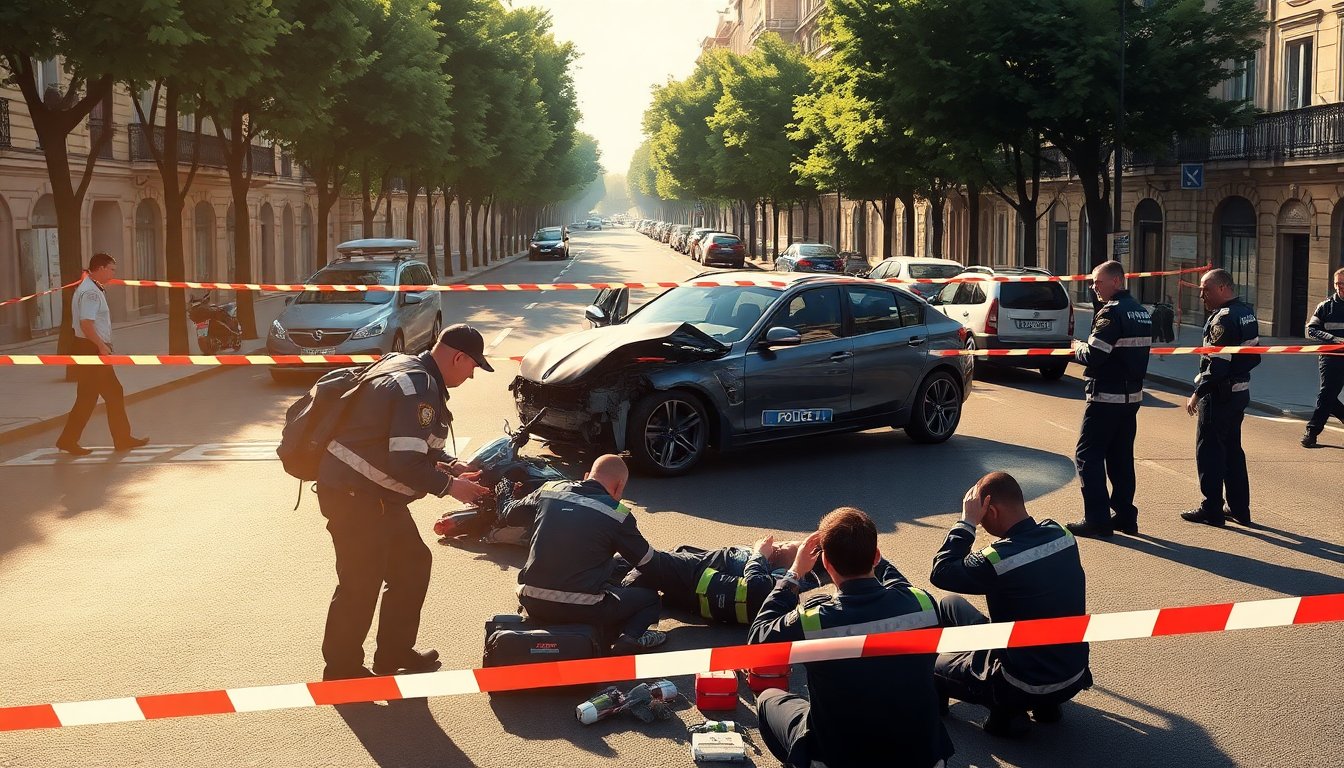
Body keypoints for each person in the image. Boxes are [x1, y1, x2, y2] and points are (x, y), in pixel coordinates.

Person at [316, 324, 491, 680]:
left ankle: (393, 652)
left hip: (371, 495)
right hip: (356, 496)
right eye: (473, 367)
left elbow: (405, 441)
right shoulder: (419, 388)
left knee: (412, 565)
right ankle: (341, 669)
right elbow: (405, 463)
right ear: (458, 358)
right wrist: (451, 487)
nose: (472, 376)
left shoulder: (407, 368)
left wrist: (452, 464)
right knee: (360, 581)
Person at [750, 507, 954, 768]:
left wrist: (794, 573)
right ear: (876, 555)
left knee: (769, 698)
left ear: (826, 564)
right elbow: (900, 585)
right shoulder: (922, 603)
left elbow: (758, 639)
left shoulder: (815, 620)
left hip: (840, 760)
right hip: (923, 760)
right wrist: (867, 552)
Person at [930, 472, 1092, 738]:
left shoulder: (997, 559)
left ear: (991, 511)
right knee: (950, 604)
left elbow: (942, 571)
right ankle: (1047, 706)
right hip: (1073, 675)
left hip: (1019, 683)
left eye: (982, 518)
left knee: (934, 667)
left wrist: (966, 522)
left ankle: (1007, 713)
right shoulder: (1061, 534)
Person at [515, 455, 667, 654]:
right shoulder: (616, 512)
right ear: (620, 486)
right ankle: (628, 639)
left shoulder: (549, 490)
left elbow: (512, 514)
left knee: (615, 564)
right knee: (650, 599)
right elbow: (648, 562)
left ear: (587, 476)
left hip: (532, 600)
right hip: (583, 608)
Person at [1067, 260, 1152, 539]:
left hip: (1106, 396)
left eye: (1098, 282)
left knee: (1087, 456)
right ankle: (1125, 516)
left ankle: (1097, 520)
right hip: (1131, 398)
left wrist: (1077, 347)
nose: (1094, 287)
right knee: (1121, 457)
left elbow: (1095, 355)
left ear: (1116, 281)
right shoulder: (1140, 311)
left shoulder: (1111, 312)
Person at [1181, 269, 1261, 527]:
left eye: (1206, 289)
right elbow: (1254, 356)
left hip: (1219, 395)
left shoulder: (1223, 318)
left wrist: (1197, 393)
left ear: (1223, 288)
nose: (1201, 295)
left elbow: (1217, 366)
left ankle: (1212, 509)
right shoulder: (1246, 312)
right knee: (1233, 451)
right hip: (1239, 392)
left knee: (1210, 452)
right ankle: (1239, 509)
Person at [56, 253, 148, 455]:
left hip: (87, 348)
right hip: (91, 349)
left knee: (88, 397)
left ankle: (68, 439)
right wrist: (101, 346)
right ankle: (121, 439)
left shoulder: (90, 287)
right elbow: (86, 323)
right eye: (111, 269)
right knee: (113, 392)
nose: (113, 274)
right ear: (100, 268)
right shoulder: (90, 292)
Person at [617, 537, 822, 625]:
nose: (780, 544)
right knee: (659, 567)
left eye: (785, 546)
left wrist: (760, 553)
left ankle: (615, 603)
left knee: (648, 562)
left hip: (704, 572)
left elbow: (756, 585)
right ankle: (619, 596)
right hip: (707, 573)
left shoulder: (785, 579)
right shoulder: (787, 578)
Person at [1302, 267, 1344, 448]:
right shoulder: (1325, 306)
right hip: (1331, 357)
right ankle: (1312, 433)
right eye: (1338, 283)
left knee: (1327, 397)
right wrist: (1334, 339)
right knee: (1327, 394)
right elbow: (1311, 330)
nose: (1340, 287)